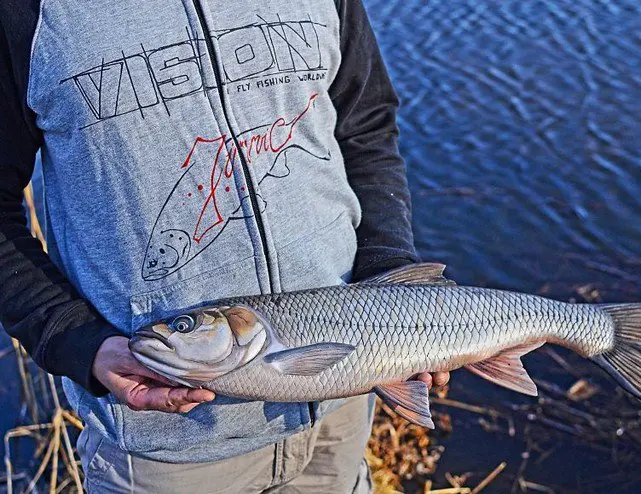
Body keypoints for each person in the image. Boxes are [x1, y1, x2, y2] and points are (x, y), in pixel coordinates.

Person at [0, 0, 449, 492]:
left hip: (341, 415)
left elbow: (364, 128)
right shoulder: (25, 13)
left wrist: (390, 282)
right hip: (166, 450)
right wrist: (73, 338)